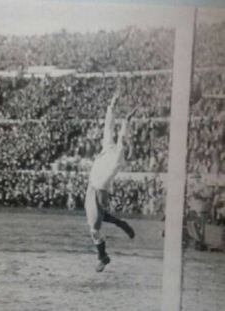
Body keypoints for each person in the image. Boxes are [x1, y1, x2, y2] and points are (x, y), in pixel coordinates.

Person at [85, 89, 136, 273]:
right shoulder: (110, 148)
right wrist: (114, 108)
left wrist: (123, 119)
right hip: (93, 187)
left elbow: (118, 135)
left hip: (99, 190)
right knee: (95, 223)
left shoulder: (117, 157)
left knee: (95, 226)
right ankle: (119, 225)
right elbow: (110, 127)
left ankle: (103, 257)